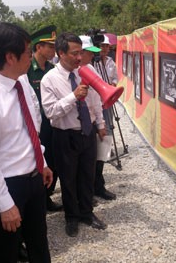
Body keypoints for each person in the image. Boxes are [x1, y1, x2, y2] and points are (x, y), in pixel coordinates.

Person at [0, 22, 53, 263]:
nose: (31, 56)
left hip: (33, 178)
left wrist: (42, 161)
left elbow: (31, 129)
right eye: (27, 52)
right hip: (7, 186)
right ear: (10, 57)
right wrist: (5, 204)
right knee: (6, 252)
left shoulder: (21, 82)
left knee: (39, 245)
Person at [41, 32, 107, 237]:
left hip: (87, 132)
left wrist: (100, 124)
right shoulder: (49, 79)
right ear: (61, 53)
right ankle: (71, 217)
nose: (79, 58)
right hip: (65, 136)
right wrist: (73, 96)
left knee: (87, 175)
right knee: (68, 179)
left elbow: (94, 101)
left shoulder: (85, 72)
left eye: (81, 53)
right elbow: (50, 112)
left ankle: (87, 213)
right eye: (75, 53)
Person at [27, 25, 63, 212]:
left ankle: (47, 197)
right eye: (49, 46)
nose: (53, 50)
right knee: (37, 165)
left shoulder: (53, 69)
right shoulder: (27, 70)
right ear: (38, 47)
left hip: (53, 125)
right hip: (34, 128)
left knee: (53, 162)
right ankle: (37, 200)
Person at [92, 35, 117, 201]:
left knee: (105, 140)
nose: (105, 49)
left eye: (107, 46)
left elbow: (115, 78)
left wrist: (111, 87)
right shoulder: (90, 64)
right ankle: (93, 184)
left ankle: (98, 183)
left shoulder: (109, 62)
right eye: (102, 46)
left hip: (106, 104)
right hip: (94, 107)